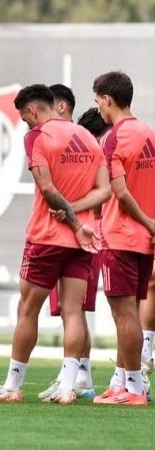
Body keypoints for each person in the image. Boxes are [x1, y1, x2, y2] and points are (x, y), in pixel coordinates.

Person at [0, 84, 109, 404]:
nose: (26, 125)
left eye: (24, 118)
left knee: (27, 310)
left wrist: (71, 221)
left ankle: (12, 386)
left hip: (47, 237)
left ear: (32, 111)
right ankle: (67, 386)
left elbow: (47, 188)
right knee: (74, 312)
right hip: (82, 241)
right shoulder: (89, 138)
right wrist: (79, 219)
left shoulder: (38, 137)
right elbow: (104, 190)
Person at [40, 104, 111, 401]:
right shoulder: (91, 162)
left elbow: (99, 201)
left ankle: (77, 376)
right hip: (81, 237)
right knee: (73, 312)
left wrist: (69, 208)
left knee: (74, 311)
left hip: (86, 238)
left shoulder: (97, 161)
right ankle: (80, 375)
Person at [91, 71, 155, 406]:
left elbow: (118, 192)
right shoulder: (148, 132)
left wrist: (146, 221)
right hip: (144, 242)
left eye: (97, 100)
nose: (97, 107)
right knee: (128, 313)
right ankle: (123, 381)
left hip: (121, 237)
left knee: (124, 314)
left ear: (108, 99)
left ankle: (133, 389)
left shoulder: (112, 138)